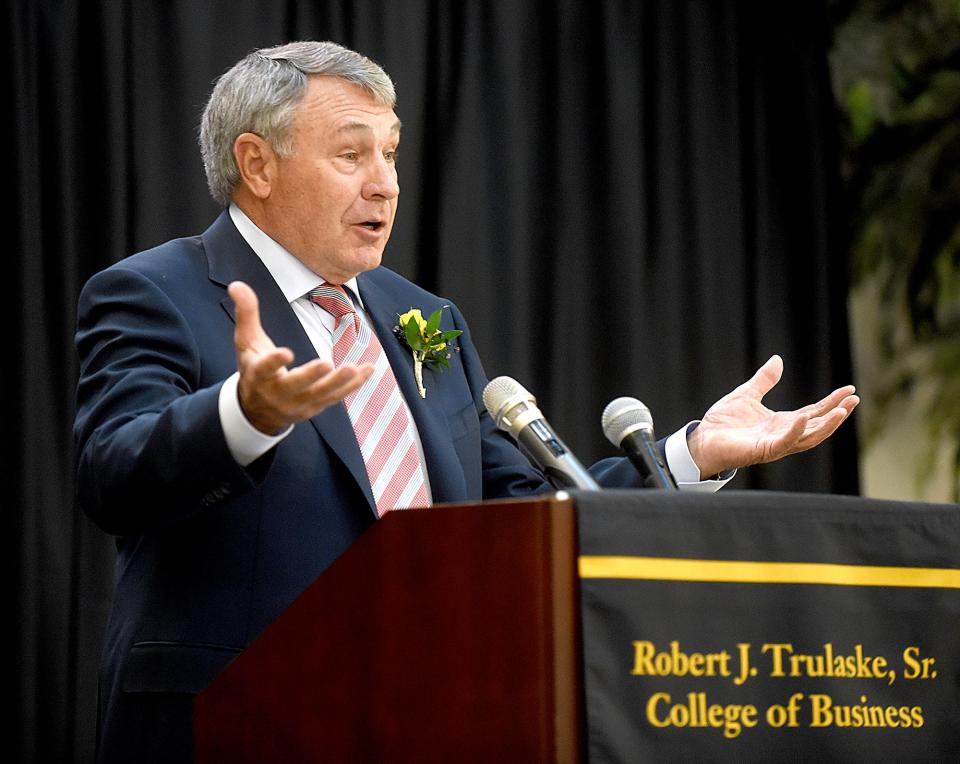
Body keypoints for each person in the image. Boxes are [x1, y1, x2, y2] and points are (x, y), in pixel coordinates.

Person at [74, 41, 858, 762]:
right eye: (351, 155)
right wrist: (245, 415)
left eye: (390, 153)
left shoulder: (424, 316)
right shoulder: (155, 293)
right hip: (239, 723)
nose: (385, 182)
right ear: (258, 164)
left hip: (432, 717)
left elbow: (520, 514)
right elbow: (114, 473)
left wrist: (689, 454)